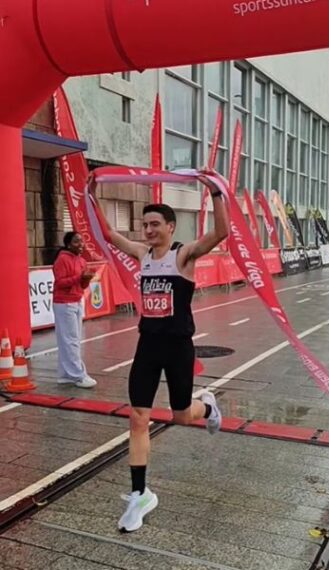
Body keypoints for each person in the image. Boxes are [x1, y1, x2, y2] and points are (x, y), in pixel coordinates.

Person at [102, 174, 227, 533]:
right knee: (138, 418)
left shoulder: (183, 255)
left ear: (171, 227)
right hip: (147, 346)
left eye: (155, 224)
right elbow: (110, 234)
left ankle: (207, 406)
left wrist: (214, 190)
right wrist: (90, 194)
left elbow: (220, 233)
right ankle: (140, 493)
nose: (148, 230)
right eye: (144, 224)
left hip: (177, 347)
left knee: (182, 416)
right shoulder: (142, 254)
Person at [52, 231, 97, 388]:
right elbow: (60, 283)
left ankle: (65, 374)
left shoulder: (82, 261)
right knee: (70, 340)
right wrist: (79, 277)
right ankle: (78, 375)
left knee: (72, 340)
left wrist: (86, 279)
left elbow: (81, 285)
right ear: (69, 244)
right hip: (64, 303)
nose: (81, 244)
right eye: (77, 241)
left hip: (76, 300)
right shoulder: (62, 259)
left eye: (82, 241)